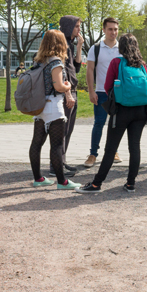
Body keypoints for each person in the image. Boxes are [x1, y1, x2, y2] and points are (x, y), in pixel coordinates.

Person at [76, 34, 147, 194]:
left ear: (121, 47)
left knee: (110, 149)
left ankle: (96, 184)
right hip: (141, 111)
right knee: (135, 147)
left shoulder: (116, 62)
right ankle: (131, 184)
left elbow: (107, 86)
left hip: (121, 111)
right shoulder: (141, 65)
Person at [28, 30, 81, 191]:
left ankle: (38, 178)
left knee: (37, 143)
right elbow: (58, 85)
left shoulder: (40, 61)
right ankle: (62, 182)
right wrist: (69, 86)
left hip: (40, 107)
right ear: (59, 43)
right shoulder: (56, 62)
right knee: (57, 145)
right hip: (53, 106)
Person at [84, 17, 122, 168]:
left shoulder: (122, 48)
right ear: (104, 30)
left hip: (118, 93)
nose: (113, 32)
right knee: (99, 123)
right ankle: (93, 154)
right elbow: (90, 69)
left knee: (116, 124)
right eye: (110, 29)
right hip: (100, 92)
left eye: (116, 29)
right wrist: (91, 91)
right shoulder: (96, 48)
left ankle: (114, 152)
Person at [51, 15, 83, 178]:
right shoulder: (61, 44)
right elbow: (62, 71)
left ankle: (61, 161)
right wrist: (68, 93)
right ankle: (55, 165)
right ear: (69, 27)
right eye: (77, 26)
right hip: (66, 93)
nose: (79, 29)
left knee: (68, 130)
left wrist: (79, 47)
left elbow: (75, 68)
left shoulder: (70, 44)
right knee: (61, 130)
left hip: (72, 91)